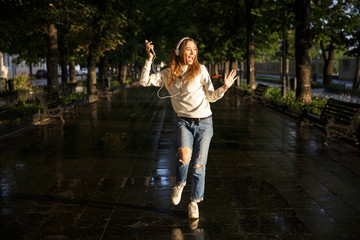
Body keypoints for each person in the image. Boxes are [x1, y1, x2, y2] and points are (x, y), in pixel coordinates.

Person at [139, 37, 237, 219]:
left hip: (205, 123)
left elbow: (211, 97)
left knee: (199, 165)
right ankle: (179, 184)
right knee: (184, 157)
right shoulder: (168, 74)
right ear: (178, 52)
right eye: (188, 49)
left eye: (194, 49)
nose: (192, 53)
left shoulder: (201, 70)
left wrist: (224, 87)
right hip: (184, 121)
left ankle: (194, 202)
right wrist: (149, 59)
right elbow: (144, 81)